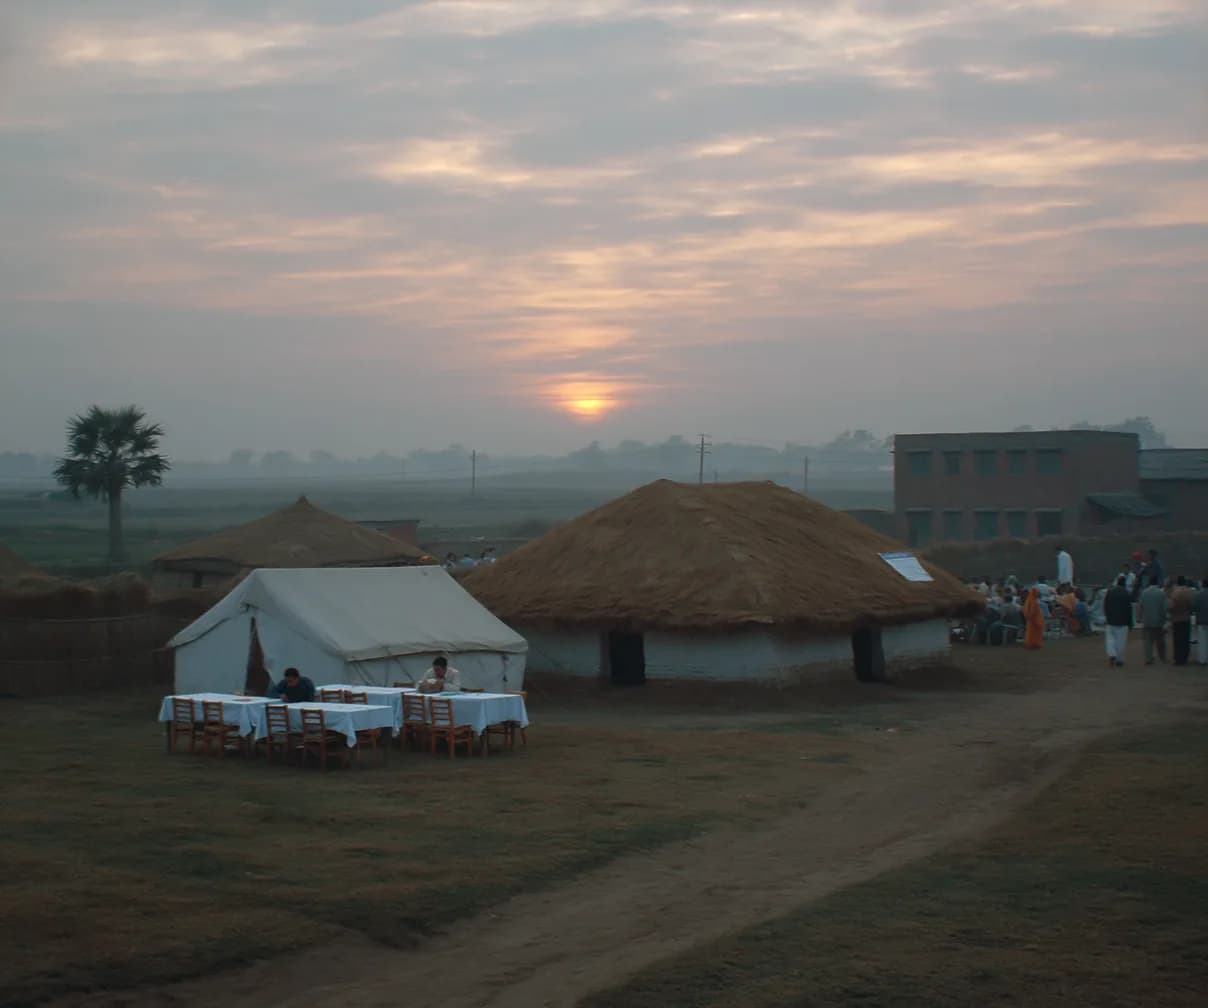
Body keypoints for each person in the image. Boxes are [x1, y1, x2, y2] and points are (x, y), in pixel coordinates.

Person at [1103, 575, 1133, 666]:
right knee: (1120, 641)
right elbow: (1129, 609)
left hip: (1111, 620)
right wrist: (1130, 622)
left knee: (1110, 640)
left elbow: (1105, 605)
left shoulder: (1110, 592)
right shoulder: (1126, 593)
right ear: (1124, 583)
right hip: (1123, 621)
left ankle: (1112, 654)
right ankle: (1119, 659)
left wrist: (1107, 617)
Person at [1139, 576, 1169, 665]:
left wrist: (1139, 618)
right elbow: (1165, 608)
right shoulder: (1162, 593)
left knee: (1148, 641)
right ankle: (1162, 658)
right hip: (1159, 621)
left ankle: (1148, 658)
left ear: (1149, 582)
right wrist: (1166, 620)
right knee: (1160, 641)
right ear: (1157, 582)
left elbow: (1141, 606)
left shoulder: (1144, 593)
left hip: (1147, 620)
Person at [1169, 576, 1195, 666]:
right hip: (1186, 618)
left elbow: (1171, 607)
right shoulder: (1189, 592)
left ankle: (1178, 658)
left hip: (1176, 619)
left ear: (1177, 582)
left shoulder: (1175, 593)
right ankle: (1185, 658)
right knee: (1185, 639)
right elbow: (1192, 605)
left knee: (1177, 640)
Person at [1195, 576, 1208, 666]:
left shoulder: (1198, 594)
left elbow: (1195, 607)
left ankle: (1202, 659)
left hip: (1201, 621)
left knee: (1202, 641)